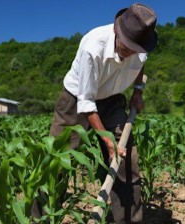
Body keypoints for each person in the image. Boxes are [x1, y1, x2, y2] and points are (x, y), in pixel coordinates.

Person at [31, 3, 157, 223]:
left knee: (126, 161)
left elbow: (140, 65)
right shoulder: (93, 46)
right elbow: (86, 102)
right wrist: (107, 141)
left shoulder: (140, 46)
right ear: (117, 31)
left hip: (113, 98)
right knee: (57, 161)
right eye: (127, 47)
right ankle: (39, 219)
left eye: (135, 49)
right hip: (76, 99)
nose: (131, 54)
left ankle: (129, 220)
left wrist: (138, 91)